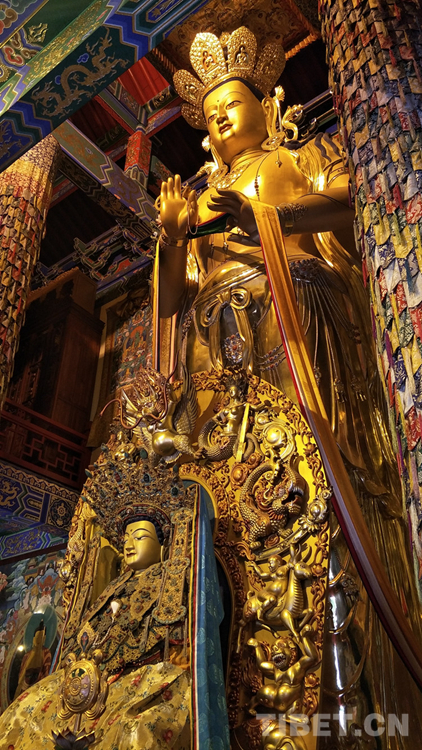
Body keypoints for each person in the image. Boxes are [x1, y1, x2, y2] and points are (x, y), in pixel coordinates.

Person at [156, 26, 422, 747]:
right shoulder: (201, 196)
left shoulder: (298, 157)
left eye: (233, 103)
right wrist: (174, 238)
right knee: (234, 505)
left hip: (291, 315)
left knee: (311, 483)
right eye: (211, 112)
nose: (221, 116)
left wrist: (269, 217)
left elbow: (354, 200)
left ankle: (350, 695)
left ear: (267, 109)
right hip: (217, 355)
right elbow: (173, 302)